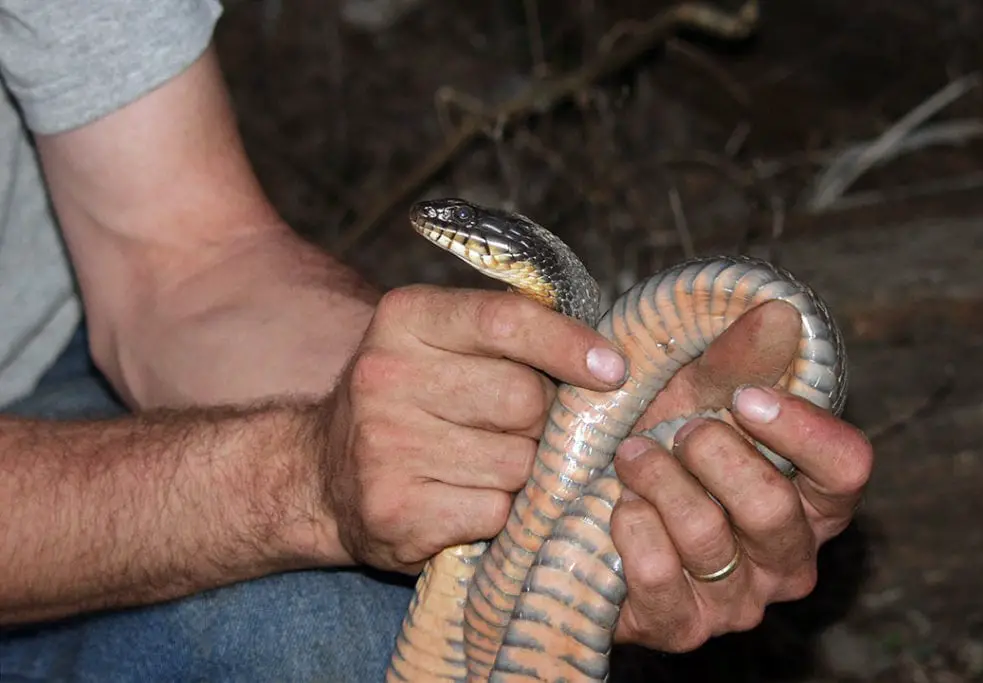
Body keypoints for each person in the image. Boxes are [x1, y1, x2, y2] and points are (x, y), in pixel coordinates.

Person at [0, 2, 873, 681]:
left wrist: (450, 424)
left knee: (355, 623)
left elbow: (184, 262)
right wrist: (300, 477)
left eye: (467, 238)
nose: (445, 238)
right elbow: (301, 477)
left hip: (51, 363)